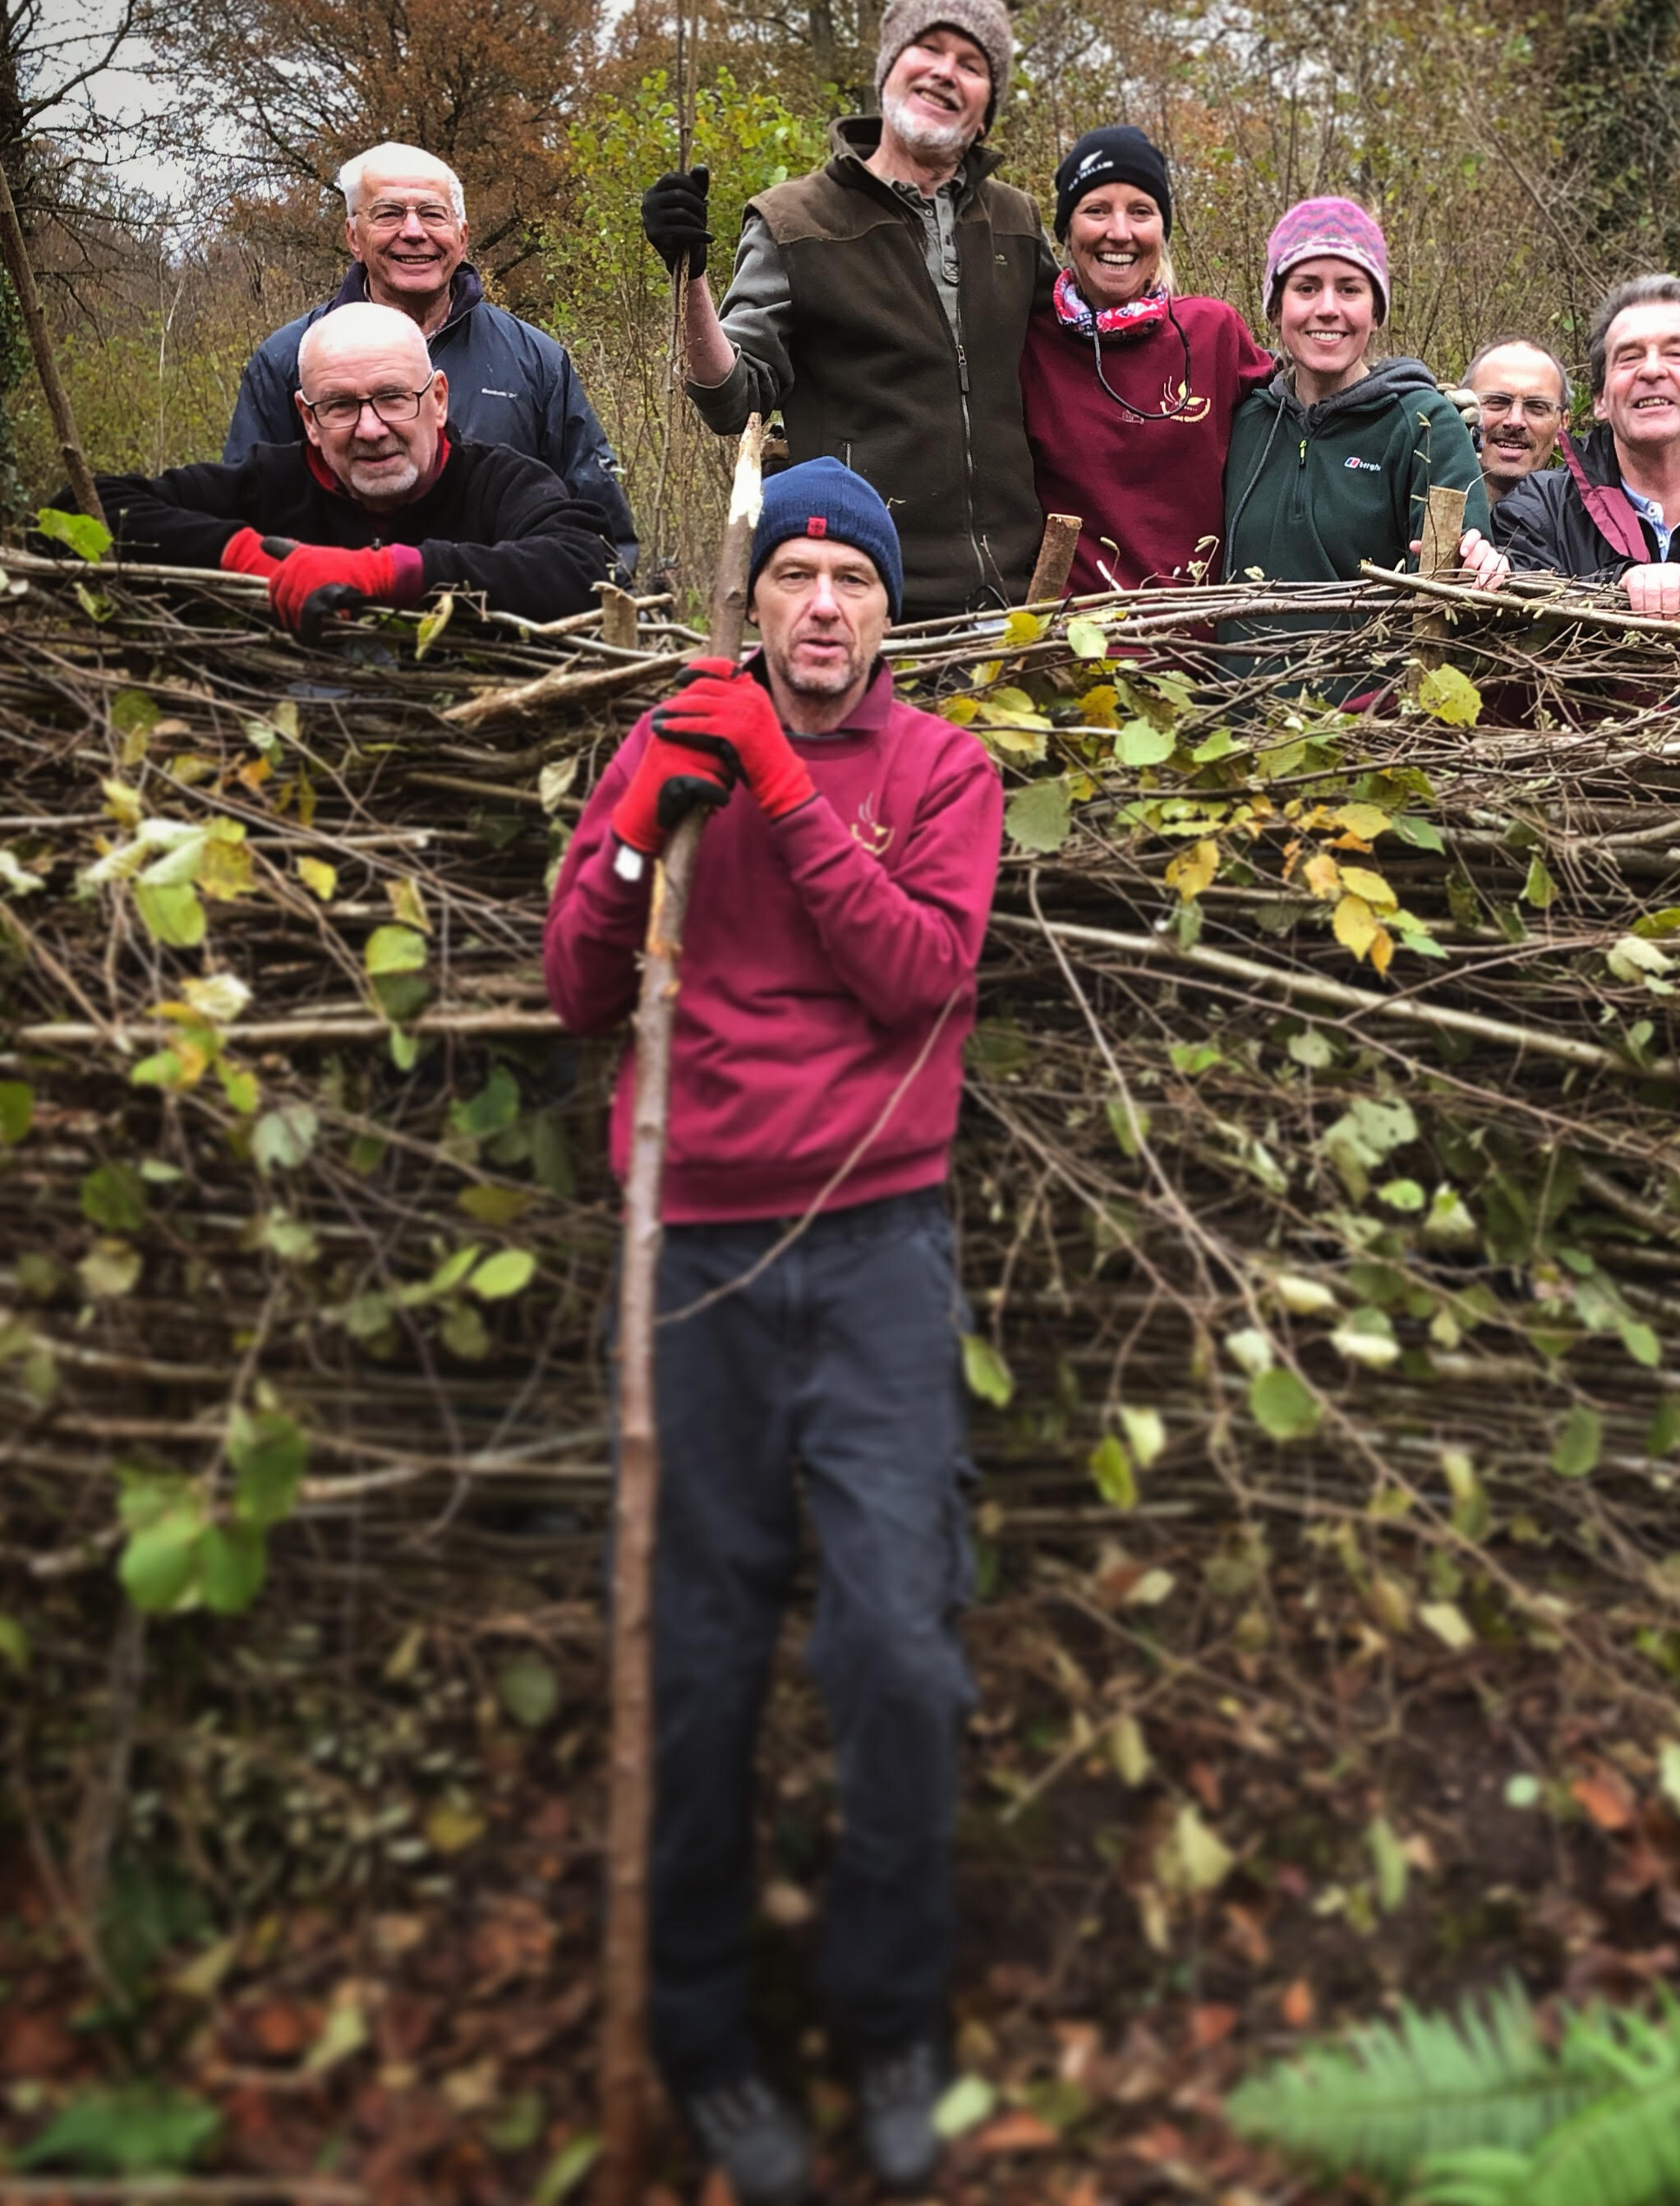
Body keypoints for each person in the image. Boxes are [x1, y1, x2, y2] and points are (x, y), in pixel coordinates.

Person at [541, 458, 1000, 2206]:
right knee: (697, 1658)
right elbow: (578, 986)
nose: (821, 603)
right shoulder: (673, 738)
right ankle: (707, 2039)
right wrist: (646, 819)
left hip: (878, 1244)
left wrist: (785, 792)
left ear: (891, 608)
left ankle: (891, 2018)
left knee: (898, 1644)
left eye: (854, 579)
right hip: (691, 1253)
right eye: (796, 572)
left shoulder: (945, 770)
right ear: (755, 595)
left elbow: (915, 975)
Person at [643, 0, 1052, 622]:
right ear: (890, 67)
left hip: (1022, 592)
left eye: (972, 65)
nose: (946, 72)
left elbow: (1078, 364)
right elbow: (732, 396)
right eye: (929, 48)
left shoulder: (1018, 223)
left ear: (986, 106)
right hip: (865, 595)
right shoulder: (794, 221)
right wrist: (690, 275)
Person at [226, 143, 639, 569]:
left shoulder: (536, 362)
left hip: (504, 623)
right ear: (354, 237)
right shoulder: (287, 361)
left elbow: (601, 527)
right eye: (388, 214)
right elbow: (244, 521)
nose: (413, 232)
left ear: (461, 238)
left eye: (432, 214)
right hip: (332, 621)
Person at [93, 302, 614, 633]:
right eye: (340, 406)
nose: (370, 429)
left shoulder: (502, 484)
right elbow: (85, 510)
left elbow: (587, 568)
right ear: (308, 419)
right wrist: (248, 557)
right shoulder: (271, 482)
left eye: (392, 398)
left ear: (438, 399)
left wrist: (383, 573)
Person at [1017, 123, 1273, 598]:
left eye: (1140, 211)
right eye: (1096, 210)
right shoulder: (1029, 342)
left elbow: (1314, 414)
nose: (1120, 233)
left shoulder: (1212, 333)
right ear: (1066, 230)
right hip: (1071, 651)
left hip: (1194, 649)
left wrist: (1402, 394)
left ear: (1161, 229)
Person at [1217, 196, 1480, 628]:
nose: (1327, 307)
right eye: (1305, 288)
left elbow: (1457, 599)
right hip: (1233, 694)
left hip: (1371, 693)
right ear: (1275, 309)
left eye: (1349, 289)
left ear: (1375, 312)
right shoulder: (1244, 420)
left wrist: (1475, 566)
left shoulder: (1425, 426)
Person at [1465, 274, 1680, 621]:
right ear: (1600, 400)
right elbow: (1520, 620)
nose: (1652, 370)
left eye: (1676, 353)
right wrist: (1620, 586)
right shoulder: (1537, 514)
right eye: (1629, 358)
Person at [1460, 337, 1568, 509]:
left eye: (1537, 407)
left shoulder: (1589, 525)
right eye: (1497, 402)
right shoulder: (1415, 506)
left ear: (1562, 425)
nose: (1515, 421)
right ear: (1462, 406)